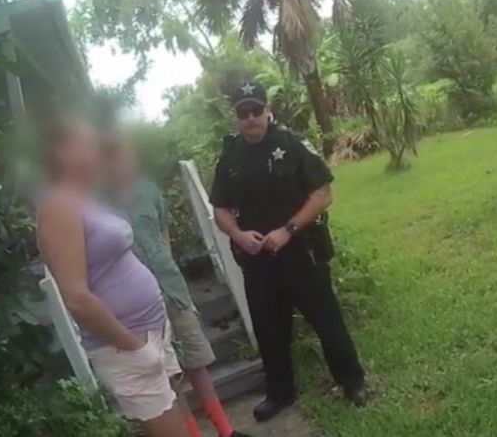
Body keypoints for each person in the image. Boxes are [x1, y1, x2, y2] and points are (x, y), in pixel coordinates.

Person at [210, 80, 367, 422]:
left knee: (327, 322)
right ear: (236, 117)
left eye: (256, 110)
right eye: (243, 113)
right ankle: (280, 393)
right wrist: (238, 235)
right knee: (269, 330)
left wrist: (288, 229)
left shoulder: (292, 144)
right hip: (258, 261)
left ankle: (352, 381)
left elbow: (323, 193)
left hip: (301, 253)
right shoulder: (231, 156)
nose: (250, 118)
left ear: (268, 110)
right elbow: (219, 209)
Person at [35, 121, 188, 437]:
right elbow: (76, 297)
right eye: (85, 142)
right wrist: (134, 347)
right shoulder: (58, 206)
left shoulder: (85, 198)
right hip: (127, 345)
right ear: (60, 153)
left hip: (151, 331)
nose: (95, 147)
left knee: (181, 421)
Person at [102, 134, 252, 437]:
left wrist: (165, 255)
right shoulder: (99, 207)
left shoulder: (147, 190)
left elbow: (163, 225)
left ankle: (226, 430)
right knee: (169, 373)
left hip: (172, 289)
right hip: (138, 305)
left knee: (197, 361)